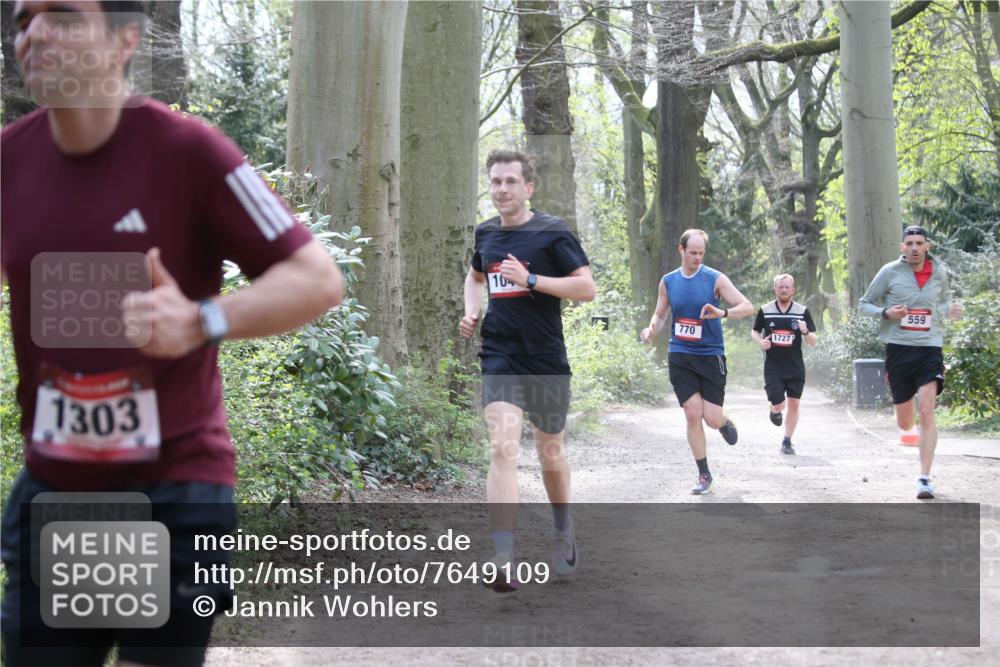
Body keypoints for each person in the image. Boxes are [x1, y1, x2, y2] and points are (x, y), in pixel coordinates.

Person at [1, 2, 343, 664]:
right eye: (22, 21)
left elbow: (316, 278)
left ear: (125, 38)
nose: (34, 34)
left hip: (174, 489)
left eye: (63, 16)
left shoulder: (190, 152)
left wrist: (200, 319)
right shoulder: (9, 162)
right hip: (56, 491)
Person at [459, 149, 595, 592]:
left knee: (550, 453)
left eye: (510, 181)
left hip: (545, 359)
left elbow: (586, 288)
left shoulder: (553, 232)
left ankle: (562, 528)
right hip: (500, 355)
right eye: (495, 181)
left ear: (528, 186)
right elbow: (477, 276)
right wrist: (471, 312)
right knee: (502, 446)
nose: (501, 189)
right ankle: (503, 555)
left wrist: (532, 281)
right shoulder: (485, 234)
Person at [641, 229, 752, 495]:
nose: (697, 258)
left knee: (711, 418)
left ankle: (723, 422)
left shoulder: (715, 279)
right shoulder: (668, 281)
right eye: (693, 253)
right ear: (681, 251)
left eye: (701, 253)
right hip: (680, 354)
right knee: (692, 413)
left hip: (710, 355)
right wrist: (651, 328)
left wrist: (722, 312)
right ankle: (704, 474)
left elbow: (747, 306)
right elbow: (659, 313)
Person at [859, 225, 962, 500]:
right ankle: (906, 422)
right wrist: (885, 312)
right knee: (906, 423)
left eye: (919, 243)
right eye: (910, 243)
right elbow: (864, 303)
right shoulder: (889, 272)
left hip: (929, 349)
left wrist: (950, 311)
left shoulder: (939, 271)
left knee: (927, 411)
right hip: (899, 351)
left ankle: (924, 478)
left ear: (928, 246)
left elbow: (943, 303)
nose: (915, 248)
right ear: (902, 247)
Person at [750, 274, 817, 455]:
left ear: (793, 289)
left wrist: (805, 332)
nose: (784, 290)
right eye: (781, 287)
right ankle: (774, 409)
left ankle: (787, 441)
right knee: (780, 404)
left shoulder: (802, 311)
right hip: (773, 366)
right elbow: (754, 331)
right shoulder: (765, 310)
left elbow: (813, 341)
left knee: (794, 404)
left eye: (788, 287)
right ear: (775, 289)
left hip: (795, 365)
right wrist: (761, 342)